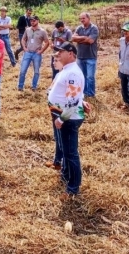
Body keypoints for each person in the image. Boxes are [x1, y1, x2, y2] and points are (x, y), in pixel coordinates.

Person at [48, 42, 90, 197]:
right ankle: (66, 176)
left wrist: (62, 119)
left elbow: (72, 101)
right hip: (62, 113)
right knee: (65, 150)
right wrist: (82, 100)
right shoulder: (67, 70)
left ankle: (73, 188)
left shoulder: (72, 73)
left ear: (71, 53)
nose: (58, 54)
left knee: (71, 153)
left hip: (69, 117)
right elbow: (75, 95)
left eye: (61, 51)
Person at [18, 16, 50, 92]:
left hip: (36, 54)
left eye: (34, 21)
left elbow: (47, 42)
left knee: (36, 71)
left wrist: (41, 51)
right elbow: (23, 39)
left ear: (38, 21)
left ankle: (34, 86)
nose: (32, 22)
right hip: (28, 52)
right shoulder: (28, 30)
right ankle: (20, 86)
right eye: (31, 21)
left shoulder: (42, 31)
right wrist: (24, 48)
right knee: (22, 70)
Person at [72, 12, 99, 98]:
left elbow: (90, 41)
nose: (82, 20)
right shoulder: (79, 28)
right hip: (80, 56)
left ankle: (90, 94)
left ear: (88, 18)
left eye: (83, 18)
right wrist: (84, 38)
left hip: (91, 56)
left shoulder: (94, 28)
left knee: (90, 77)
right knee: (81, 76)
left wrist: (79, 39)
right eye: (80, 18)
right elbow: (73, 38)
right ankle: (83, 93)